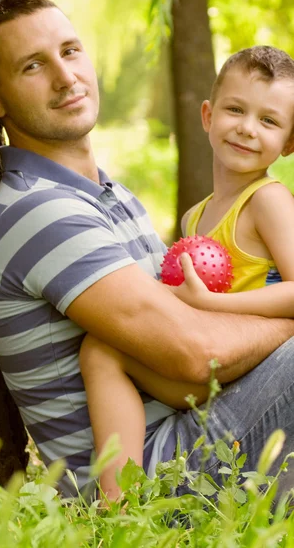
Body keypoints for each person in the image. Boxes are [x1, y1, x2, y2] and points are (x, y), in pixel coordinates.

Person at [0, 0, 294, 501]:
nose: (65, 76)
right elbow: (195, 353)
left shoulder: (113, 196)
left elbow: (191, 331)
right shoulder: (37, 213)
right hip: (152, 477)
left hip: (190, 427)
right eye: (33, 65)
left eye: (70, 51)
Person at [80, 46, 294, 499]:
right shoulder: (195, 218)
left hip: (252, 365)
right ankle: (119, 502)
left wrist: (212, 304)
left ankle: (117, 505)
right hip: (211, 362)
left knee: (102, 349)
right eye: (235, 109)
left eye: (269, 121)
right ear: (207, 115)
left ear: (289, 143)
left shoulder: (268, 202)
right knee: (102, 349)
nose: (247, 128)